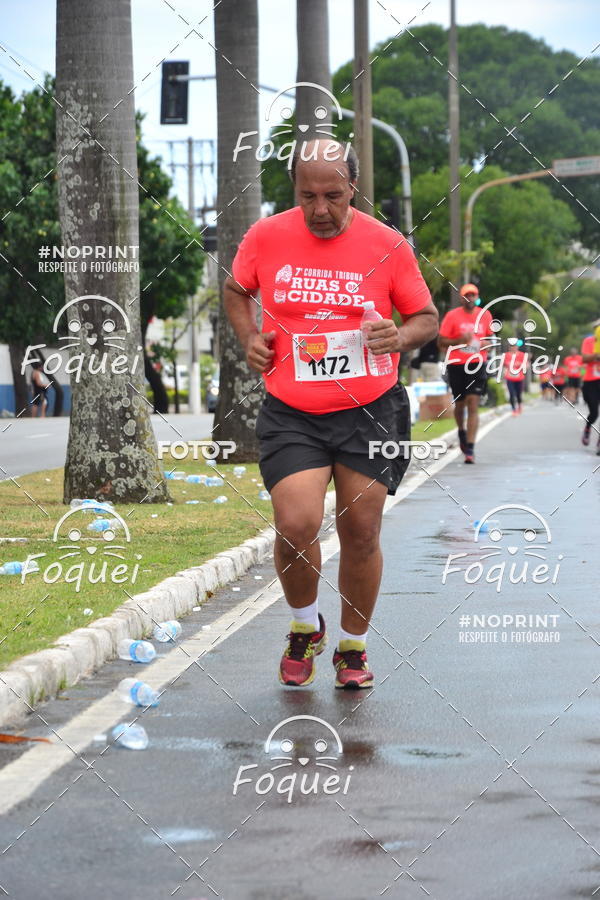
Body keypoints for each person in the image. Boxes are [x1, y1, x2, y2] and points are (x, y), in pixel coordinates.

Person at [224, 139, 438, 689]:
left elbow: (425, 317)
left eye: (333, 196)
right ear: (294, 190)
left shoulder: (387, 244)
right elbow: (235, 289)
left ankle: (352, 647)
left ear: (354, 189)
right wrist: (249, 336)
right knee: (295, 525)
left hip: (371, 409)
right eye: (307, 196)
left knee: (362, 529)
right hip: (293, 408)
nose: (320, 209)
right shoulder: (266, 236)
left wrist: (401, 335)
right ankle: (303, 626)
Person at [438, 283, 494, 463]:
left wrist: (482, 344)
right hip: (456, 364)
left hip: (477, 364)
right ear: (462, 298)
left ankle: (470, 448)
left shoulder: (484, 315)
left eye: (473, 295)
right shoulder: (452, 316)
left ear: (477, 297)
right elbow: (441, 342)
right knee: (460, 405)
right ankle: (461, 431)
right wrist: (459, 340)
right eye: (467, 295)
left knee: (473, 403)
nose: (470, 298)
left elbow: (490, 340)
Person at [580, 332, 600, 452]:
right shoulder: (589, 341)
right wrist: (597, 354)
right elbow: (585, 359)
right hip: (591, 382)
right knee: (594, 413)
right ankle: (587, 428)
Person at [503, 344, 527, 415]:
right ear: (509, 347)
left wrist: (519, 365)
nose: (513, 347)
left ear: (517, 347)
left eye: (514, 346)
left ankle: (519, 405)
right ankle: (514, 409)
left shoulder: (522, 355)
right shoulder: (506, 355)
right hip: (509, 377)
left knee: (518, 394)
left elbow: (525, 364)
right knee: (511, 393)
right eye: (511, 346)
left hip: (519, 378)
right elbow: (504, 364)